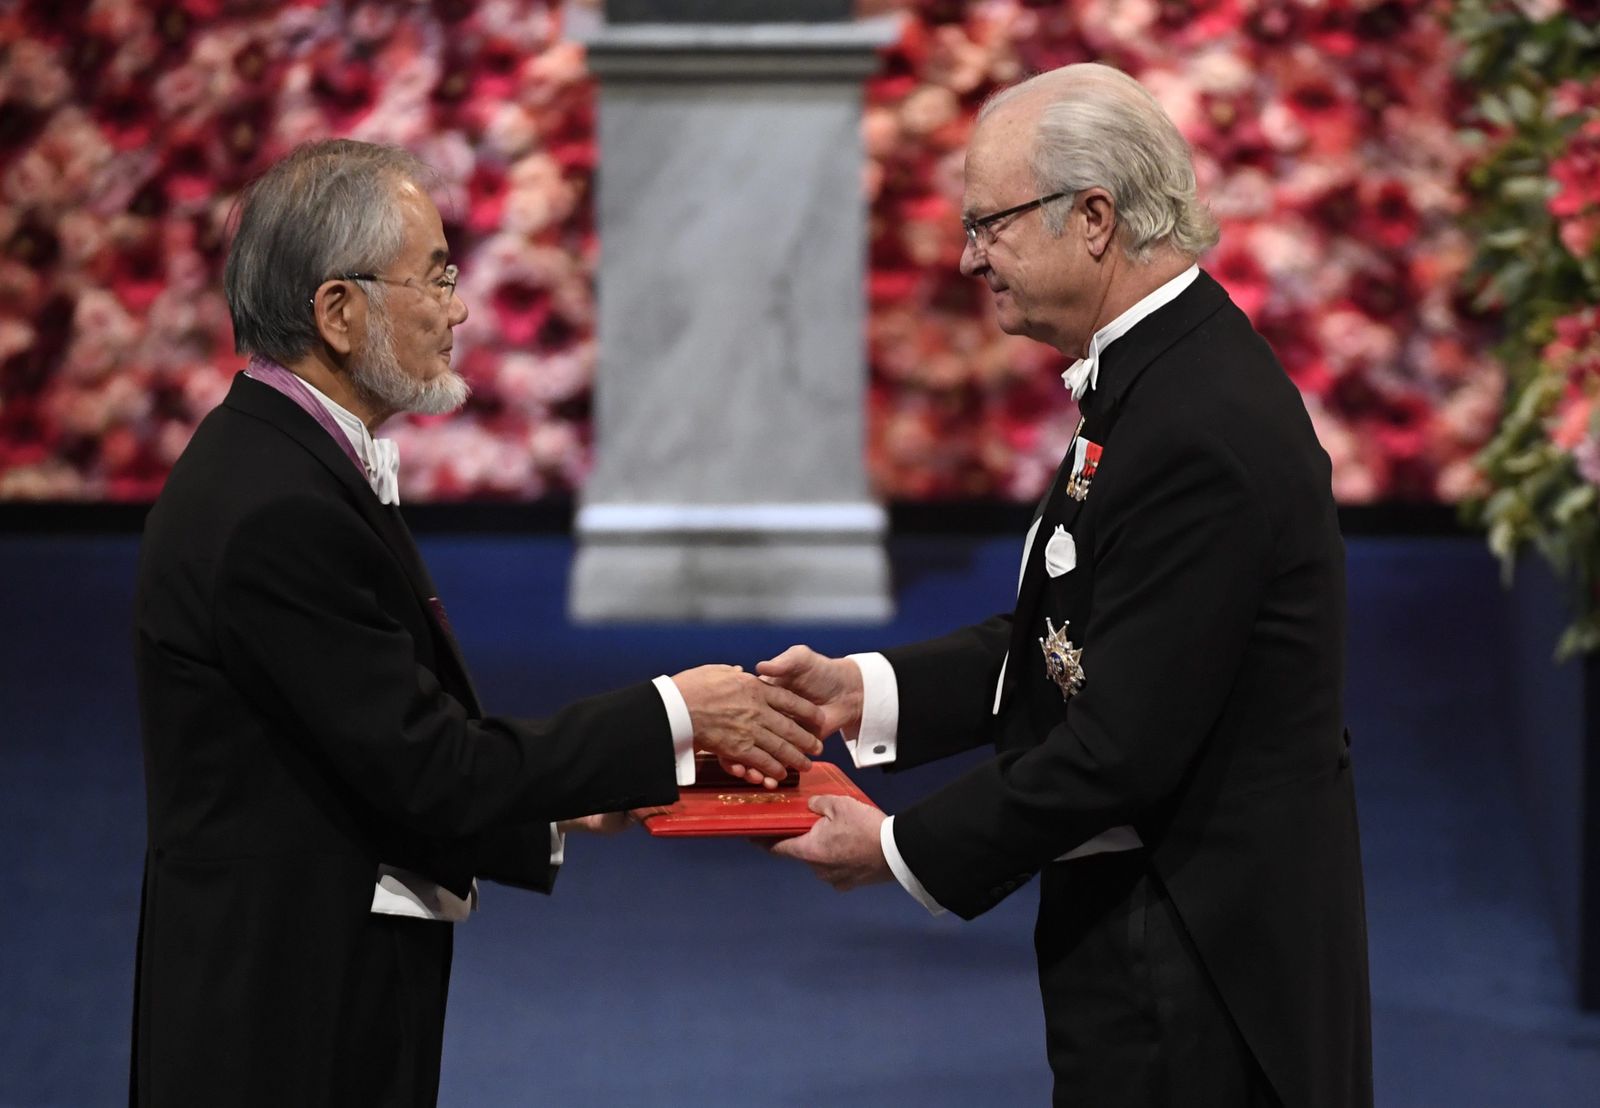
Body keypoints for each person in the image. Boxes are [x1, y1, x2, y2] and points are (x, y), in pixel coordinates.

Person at [129, 139, 823, 1108]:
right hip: (281, 1012)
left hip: (307, 979)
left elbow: (370, 743)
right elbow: (428, 768)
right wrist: (674, 713)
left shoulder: (280, 460)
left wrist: (582, 794)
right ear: (338, 311)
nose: (459, 308)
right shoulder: (274, 502)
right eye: (437, 275)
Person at [764, 64, 1371, 1107]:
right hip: (1158, 930)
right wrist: (861, 692)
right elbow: (1075, 637)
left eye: (990, 224)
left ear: (1093, 218)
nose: (968, 257)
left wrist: (901, 847)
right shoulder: (1162, 374)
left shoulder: (1198, 423)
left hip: (1201, 963)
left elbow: (1122, 743)